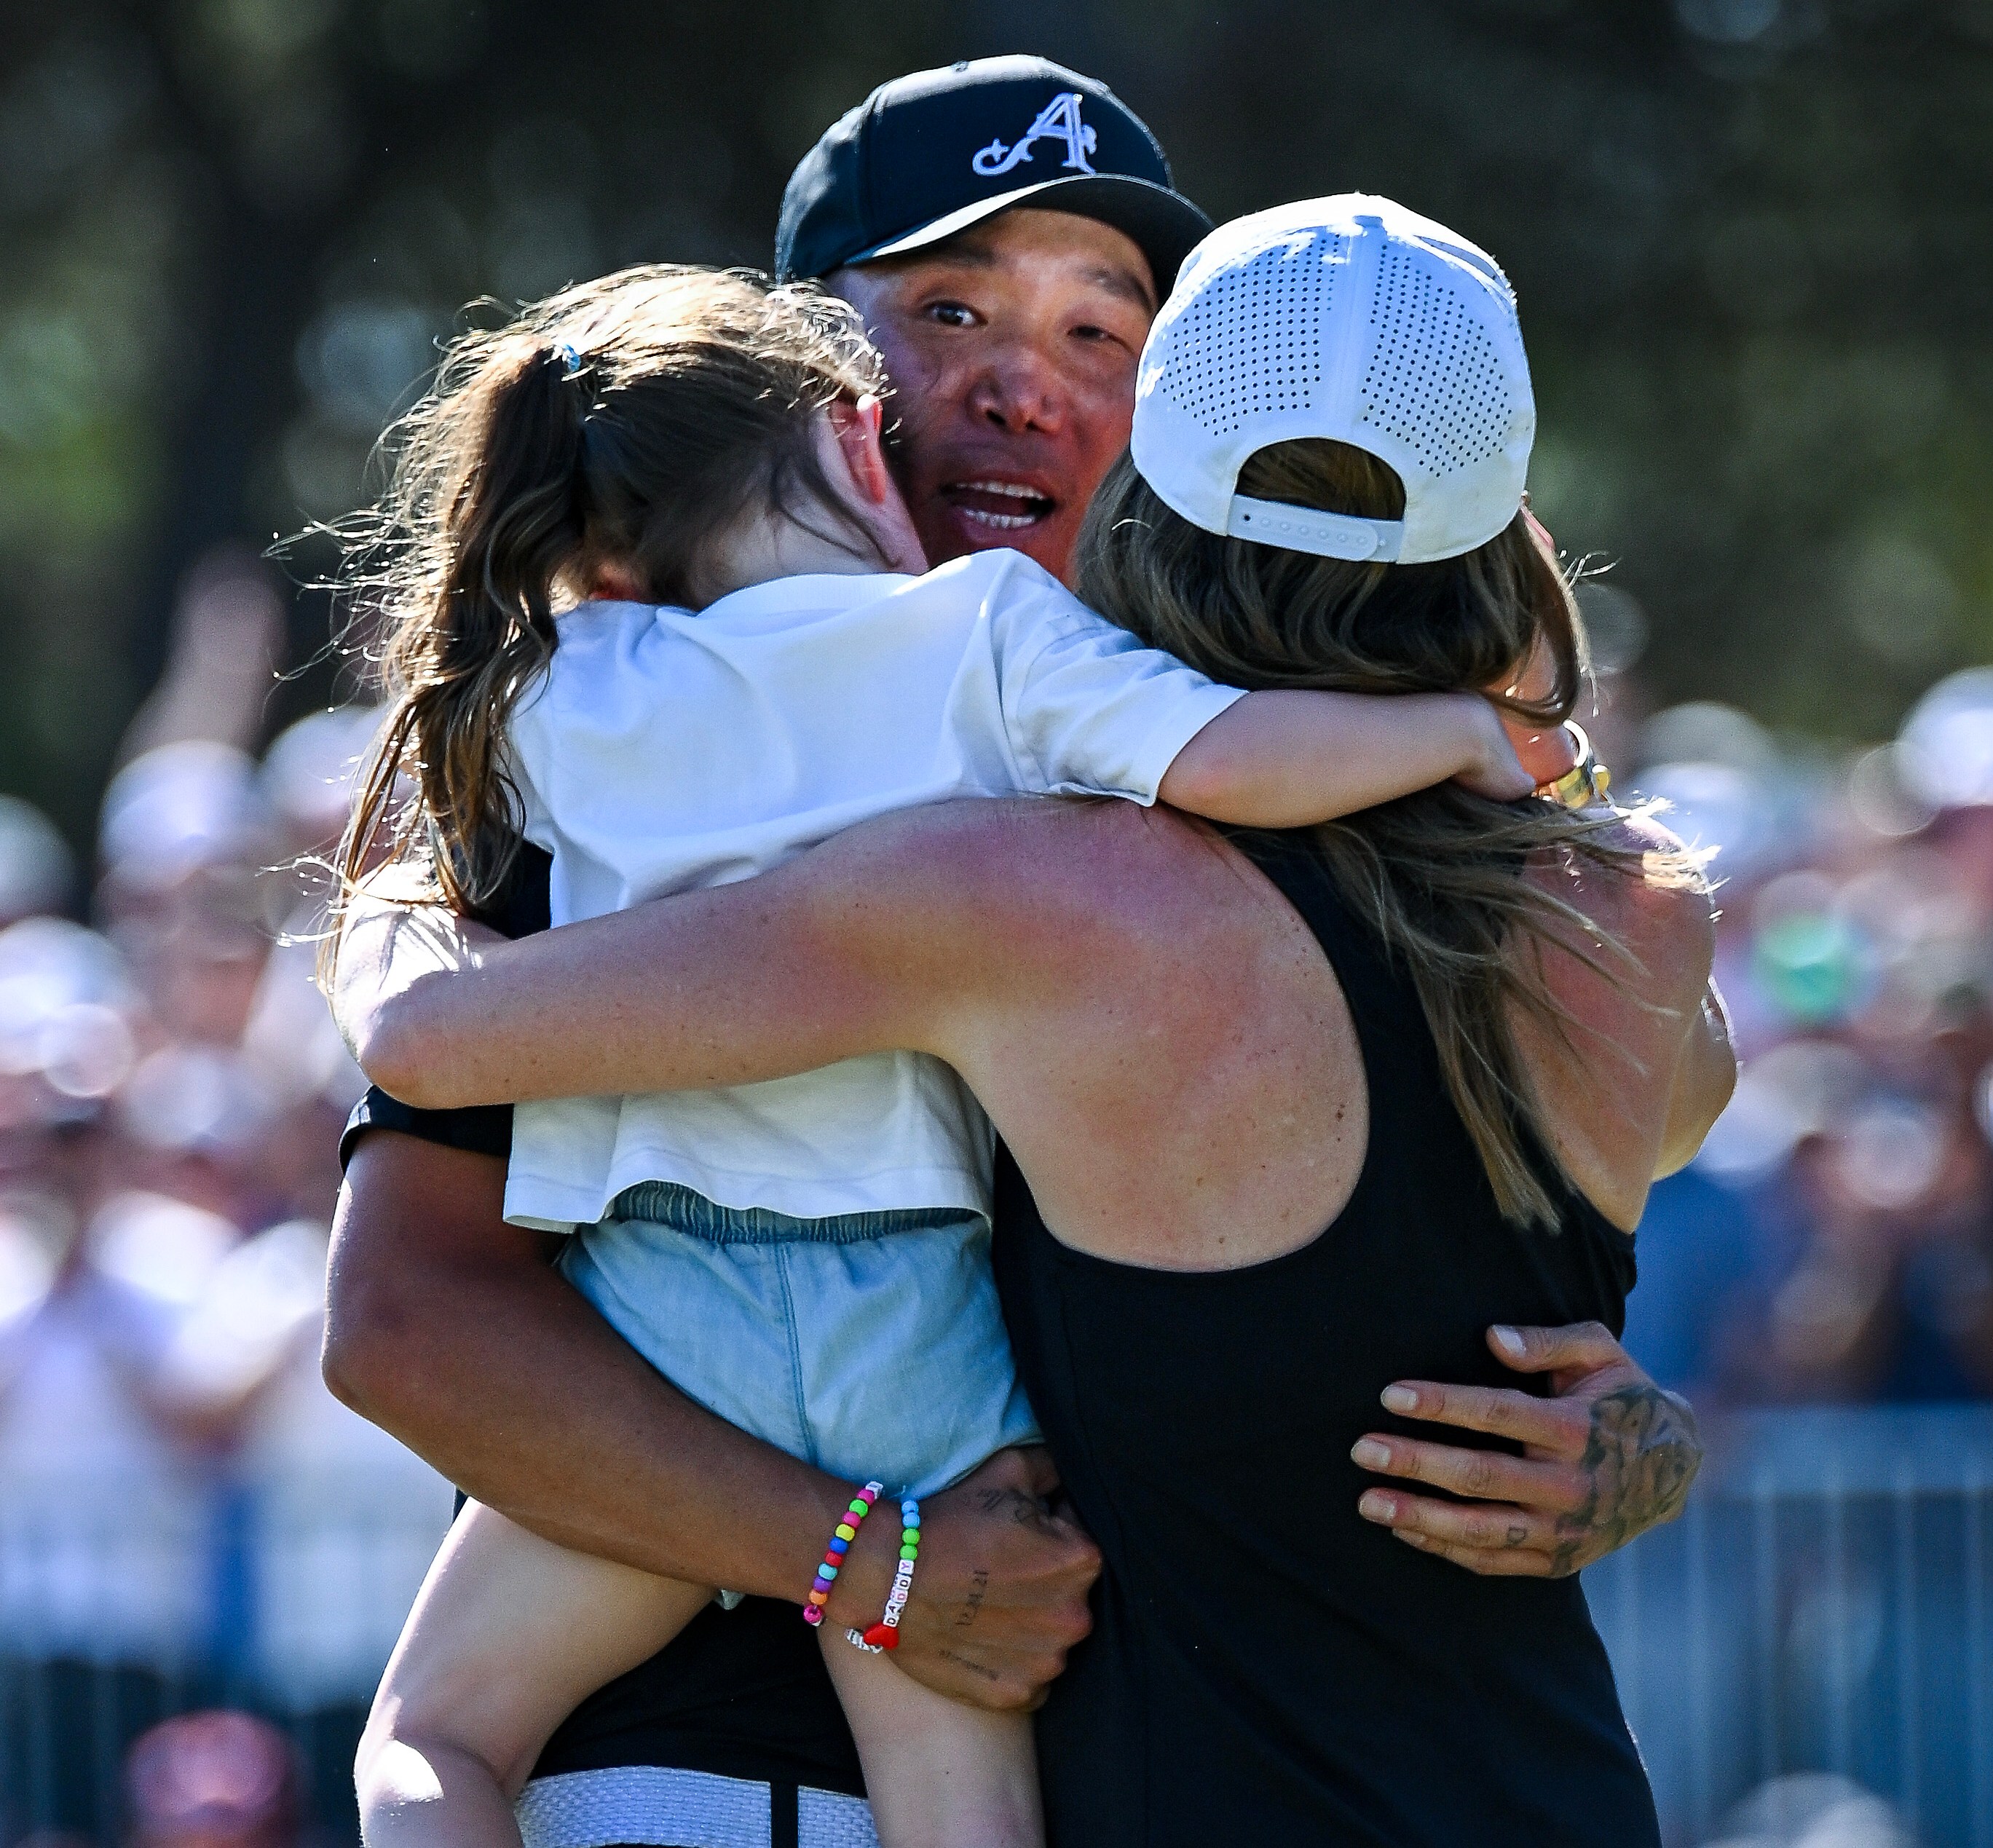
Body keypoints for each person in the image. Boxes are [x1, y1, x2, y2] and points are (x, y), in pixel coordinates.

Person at [324, 60, 1710, 1846]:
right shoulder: (601, 749)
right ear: (808, 380)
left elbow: (1497, 1243)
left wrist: (1631, 1441)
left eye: (1097, 331)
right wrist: (861, 1560)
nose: (1019, 384)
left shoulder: (1226, 786)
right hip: (711, 1777)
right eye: (947, 311)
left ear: (1179, 408)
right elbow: (408, 1322)